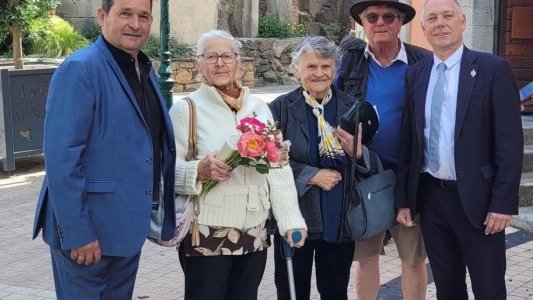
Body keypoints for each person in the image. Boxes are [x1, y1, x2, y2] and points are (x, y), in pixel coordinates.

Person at [32, 0, 177, 299]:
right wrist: (79, 233)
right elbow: (62, 159)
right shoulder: (80, 69)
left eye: (143, 16)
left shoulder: (144, 69)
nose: (135, 24)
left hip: (124, 230)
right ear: (102, 16)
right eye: (125, 13)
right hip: (87, 235)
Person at [395, 0, 523, 299]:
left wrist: (503, 203)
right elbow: (408, 142)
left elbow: (510, 142)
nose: (440, 23)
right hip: (432, 198)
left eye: (448, 16)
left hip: (479, 200)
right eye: (433, 18)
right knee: (447, 285)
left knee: (488, 286)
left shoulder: (493, 69)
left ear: (462, 22)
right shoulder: (416, 74)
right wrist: (404, 199)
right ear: (423, 28)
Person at [169, 29, 307, 300]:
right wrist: (198, 170)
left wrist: (291, 220)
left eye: (227, 56)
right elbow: (163, 170)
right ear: (198, 64)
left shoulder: (258, 108)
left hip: (253, 231)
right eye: (211, 57)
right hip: (206, 232)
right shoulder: (186, 109)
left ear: (238, 62)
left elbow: (277, 167)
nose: (220, 63)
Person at [334, 0, 431, 299]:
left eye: (389, 17)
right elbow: (330, 105)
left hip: (409, 178)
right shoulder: (350, 63)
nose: (380, 22)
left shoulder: (422, 61)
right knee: (365, 259)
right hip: (365, 177)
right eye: (372, 16)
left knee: (414, 260)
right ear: (363, 22)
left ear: (400, 21)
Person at [269, 36, 374, 300]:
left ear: (335, 70)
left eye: (326, 66)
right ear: (297, 70)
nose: (319, 73)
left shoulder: (352, 107)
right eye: (311, 67)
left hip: (338, 220)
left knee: (336, 291)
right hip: (295, 215)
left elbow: (367, 164)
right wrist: (311, 175)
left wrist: (358, 154)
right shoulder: (279, 109)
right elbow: (268, 163)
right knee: (292, 291)